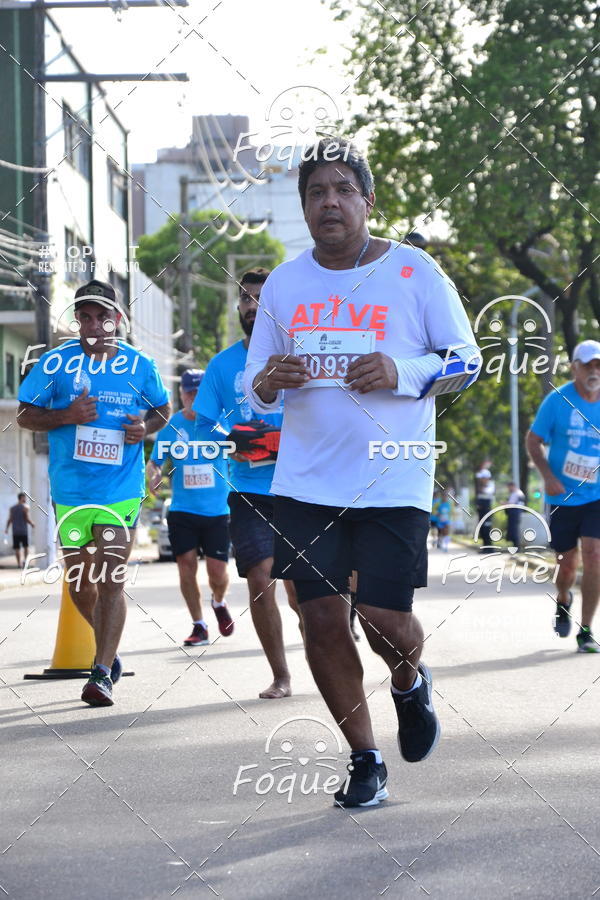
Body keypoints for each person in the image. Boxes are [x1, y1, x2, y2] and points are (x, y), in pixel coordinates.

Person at [244, 137, 480, 808]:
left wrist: (403, 371)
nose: (330, 202)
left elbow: (466, 360)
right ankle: (365, 758)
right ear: (304, 209)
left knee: (381, 618)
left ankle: (409, 681)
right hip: (306, 481)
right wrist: (269, 379)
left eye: (343, 189)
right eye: (316, 192)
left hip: (391, 475)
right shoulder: (286, 284)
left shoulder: (414, 272)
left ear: (367, 201)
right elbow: (253, 391)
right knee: (320, 620)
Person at [18, 279, 171, 705]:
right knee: (81, 586)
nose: (93, 323)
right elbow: (26, 415)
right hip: (70, 490)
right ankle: (109, 647)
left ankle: (100, 672)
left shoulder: (140, 365)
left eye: (102, 315)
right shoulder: (55, 364)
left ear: (117, 319)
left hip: (120, 488)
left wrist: (145, 429)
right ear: (77, 319)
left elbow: (162, 408)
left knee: (111, 579)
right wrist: (66, 414)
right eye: (84, 316)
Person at [192, 268, 300, 700]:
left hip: (301, 488)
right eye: (245, 300)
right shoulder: (222, 366)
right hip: (249, 491)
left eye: (260, 299)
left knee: (303, 594)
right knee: (260, 581)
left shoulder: (301, 355)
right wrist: (230, 443)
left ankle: (327, 649)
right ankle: (281, 675)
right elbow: (203, 429)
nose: (252, 307)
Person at [146, 368, 233, 646]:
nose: (194, 397)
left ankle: (218, 602)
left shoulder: (220, 423)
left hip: (218, 510)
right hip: (183, 509)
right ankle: (199, 625)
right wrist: (154, 474)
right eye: (189, 392)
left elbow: (240, 453)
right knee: (186, 566)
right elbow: (155, 461)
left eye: (199, 392)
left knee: (217, 573)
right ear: (181, 394)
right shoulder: (173, 426)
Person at [526, 339, 600, 653]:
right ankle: (563, 599)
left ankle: (586, 629)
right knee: (567, 565)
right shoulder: (558, 401)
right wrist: (548, 476)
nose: (594, 371)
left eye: (599, 365)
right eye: (588, 365)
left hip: (597, 494)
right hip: (563, 496)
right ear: (575, 368)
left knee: (595, 556)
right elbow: (533, 441)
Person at [5, 492, 35, 568]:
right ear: (21, 498)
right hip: (23, 531)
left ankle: (19, 564)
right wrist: (32, 524)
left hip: (15, 531)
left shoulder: (12, 508)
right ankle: (25, 561)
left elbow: (10, 519)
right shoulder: (26, 507)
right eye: (24, 498)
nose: (25, 499)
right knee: (26, 547)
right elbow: (27, 518)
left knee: (17, 548)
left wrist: (7, 529)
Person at [475, 462, 495, 552]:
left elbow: (487, 492)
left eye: (482, 478)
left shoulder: (490, 484)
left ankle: (489, 548)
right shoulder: (480, 485)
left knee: (487, 528)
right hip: (481, 510)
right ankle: (484, 547)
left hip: (487, 509)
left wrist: (482, 488)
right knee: (482, 528)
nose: (481, 479)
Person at [506, 482, 525, 548]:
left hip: (514, 512)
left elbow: (511, 503)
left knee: (514, 529)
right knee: (514, 529)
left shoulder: (516, 493)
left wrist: (504, 503)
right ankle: (515, 545)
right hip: (517, 512)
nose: (508, 489)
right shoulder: (519, 493)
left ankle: (516, 546)